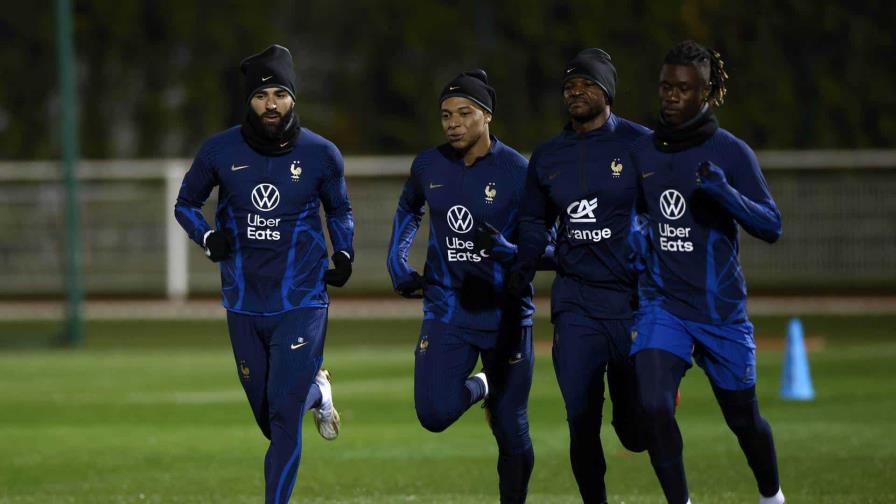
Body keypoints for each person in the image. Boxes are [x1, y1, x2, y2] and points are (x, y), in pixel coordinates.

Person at [174, 45, 354, 504]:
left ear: (293, 98)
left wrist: (344, 251)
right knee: (269, 418)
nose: (271, 104)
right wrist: (207, 237)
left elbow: (339, 210)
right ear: (249, 101)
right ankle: (319, 392)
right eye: (260, 95)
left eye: (279, 94)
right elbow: (185, 204)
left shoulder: (321, 154)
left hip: (302, 301)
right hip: (243, 302)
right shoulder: (219, 150)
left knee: (283, 418)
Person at [628, 40, 785, 504]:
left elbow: (771, 226)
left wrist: (725, 194)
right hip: (663, 305)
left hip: (720, 310)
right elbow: (639, 212)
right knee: (654, 405)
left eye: (683, 88)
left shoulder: (730, 152)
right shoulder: (643, 151)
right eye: (665, 86)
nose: (671, 96)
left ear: (705, 92)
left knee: (744, 419)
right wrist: (636, 233)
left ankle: (772, 497)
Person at [386, 70, 538, 503]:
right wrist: (397, 261)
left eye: (464, 113)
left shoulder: (517, 171)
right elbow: (409, 208)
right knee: (433, 413)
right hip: (447, 307)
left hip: (504, 315)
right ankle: (484, 384)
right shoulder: (428, 165)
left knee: (510, 429)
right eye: (446, 115)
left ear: (487, 116)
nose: (453, 123)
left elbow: (548, 241)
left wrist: (513, 251)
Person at [509, 48, 650, 503]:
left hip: (631, 303)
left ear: (607, 91)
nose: (575, 92)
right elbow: (534, 222)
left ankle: (640, 412)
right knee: (581, 418)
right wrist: (523, 267)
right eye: (569, 86)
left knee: (636, 432)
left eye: (587, 84)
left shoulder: (641, 144)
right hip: (576, 304)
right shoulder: (549, 155)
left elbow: (665, 215)